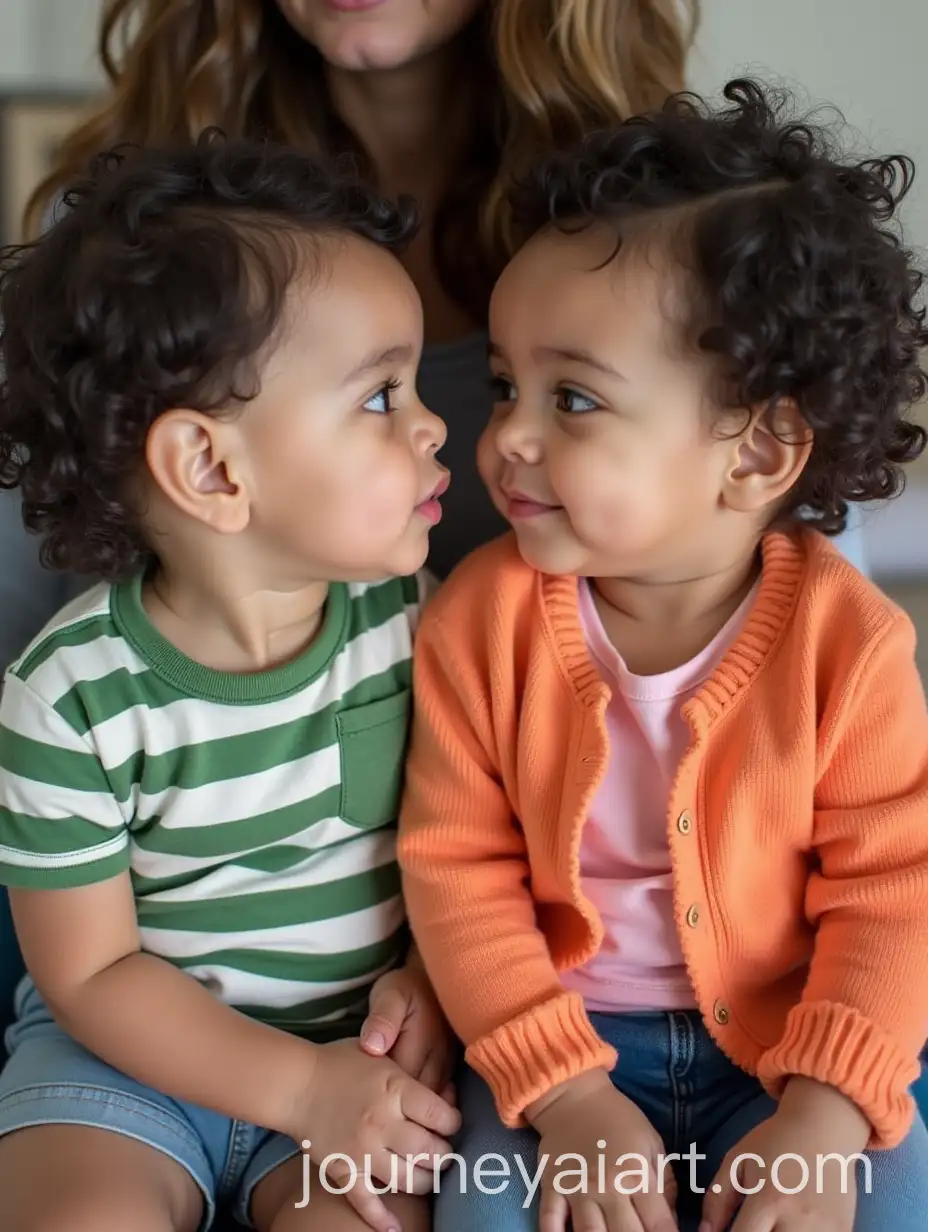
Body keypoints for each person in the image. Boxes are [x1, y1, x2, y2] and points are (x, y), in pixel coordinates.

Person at [396, 80, 928, 1232]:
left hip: (792, 1048)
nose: (507, 434)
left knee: (888, 1205)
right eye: (503, 386)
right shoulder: (477, 624)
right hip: (558, 1047)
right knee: (486, 1216)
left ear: (761, 446)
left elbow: (891, 896)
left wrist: (827, 1113)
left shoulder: (854, 644)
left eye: (572, 397)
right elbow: (456, 871)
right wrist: (572, 1095)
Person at [0, 0, 875, 679]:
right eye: (500, 386)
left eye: (571, 395)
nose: (485, 441)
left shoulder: (693, 249)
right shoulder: (127, 249)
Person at [0, 136, 460, 1232]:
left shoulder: (419, 622)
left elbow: (475, 847)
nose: (433, 421)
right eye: (379, 396)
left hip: (358, 1056)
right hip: (126, 1065)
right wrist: (295, 1087)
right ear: (212, 469)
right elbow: (94, 973)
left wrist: (428, 982)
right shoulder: (68, 693)